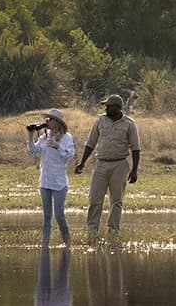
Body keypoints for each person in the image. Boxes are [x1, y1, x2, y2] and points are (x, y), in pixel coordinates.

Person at [74, 94, 141, 236]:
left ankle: (113, 230)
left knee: (116, 201)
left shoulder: (129, 123)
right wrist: (82, 163)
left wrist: (134, 170)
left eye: (109, 106)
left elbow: (135, 148)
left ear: (117, 108)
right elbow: (90, 143)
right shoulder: (100, 121)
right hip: (101, 164)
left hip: (120, 165)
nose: (106, 108)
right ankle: (92, 230)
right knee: (94, 199)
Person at [27, 108, 75, 246]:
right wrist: (30, 136)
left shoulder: (67, 138)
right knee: (46, 216)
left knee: (59, 215)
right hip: (45, 181)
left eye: (50, 119)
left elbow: (69, 155)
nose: (47, 121)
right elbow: (33, 151)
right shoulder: (44, 137)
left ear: (58, 123)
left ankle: (67, 242)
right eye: (47, 119)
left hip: (59, 182)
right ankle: (45, 244)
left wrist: (57, 146)